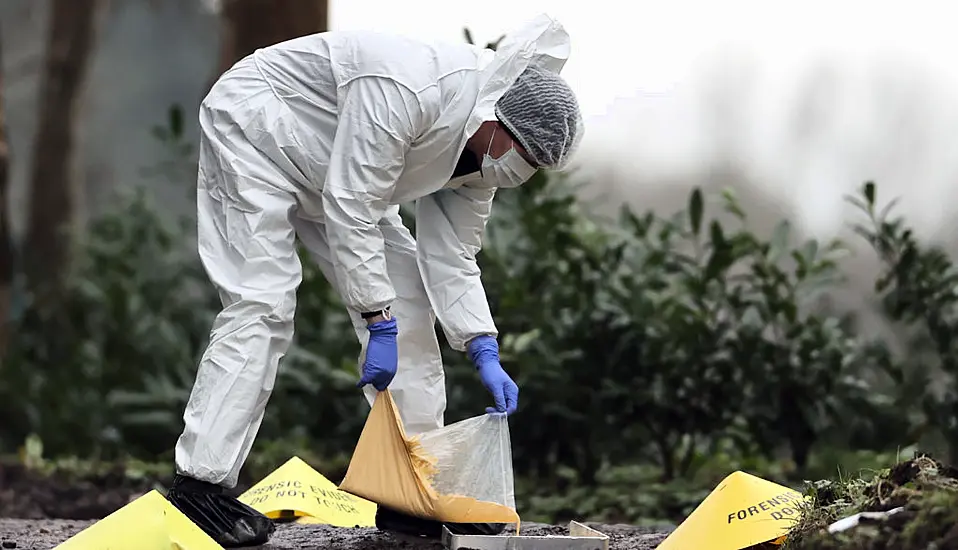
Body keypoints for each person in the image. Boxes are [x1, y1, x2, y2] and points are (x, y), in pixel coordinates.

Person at [165, 12, 583, 547]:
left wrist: (482, 345)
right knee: (262, 305)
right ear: (496, 117)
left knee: (407, 297)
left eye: (532, 167)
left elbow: (453, 253)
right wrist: (375, 320)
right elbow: (352, 203)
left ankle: (410, 492)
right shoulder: (410, 87)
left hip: (340, 174)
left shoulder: (484, 151)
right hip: (259, 132)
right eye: (520, 155)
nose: (516, 172)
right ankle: (200, 487)